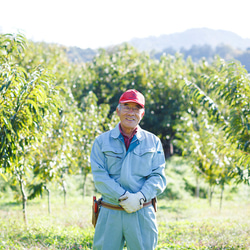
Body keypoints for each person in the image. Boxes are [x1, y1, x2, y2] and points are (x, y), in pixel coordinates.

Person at [90, 89, 167, 250]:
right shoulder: (101, 142)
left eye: (136, 108)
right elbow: (100, 177)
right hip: (111, 212)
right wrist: (123, 196)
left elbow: (158, 176)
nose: (131, 112)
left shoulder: (153, 142)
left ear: (143, 113)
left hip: (141, 211)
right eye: (127, 107)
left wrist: (140, 197)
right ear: (118, 110)